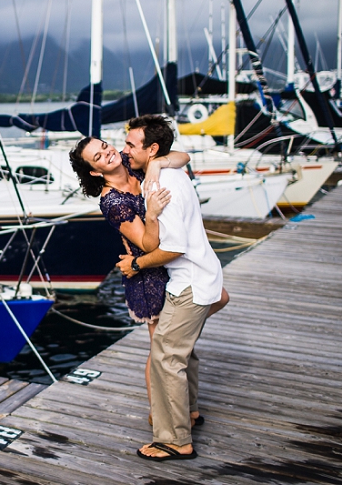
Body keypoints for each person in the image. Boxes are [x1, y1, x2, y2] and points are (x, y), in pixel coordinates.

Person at [116, 114, 228, 462]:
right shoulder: (169, 170)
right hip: (201, 276)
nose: (124, 150)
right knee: (183, 352)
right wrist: (159, 161)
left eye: (131, 145)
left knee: (166, 357)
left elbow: (172, 247)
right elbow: (180, 155)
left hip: (189, 283)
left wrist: (135, 264)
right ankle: (190, 413)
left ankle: (175, 440)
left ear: (151, 148)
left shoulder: (157, 188)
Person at [69, 136, 191, 423]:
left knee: (178, 338)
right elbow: (148, 245)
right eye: (98, 157)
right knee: (160, 350)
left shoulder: (130, 161)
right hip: (147, 276)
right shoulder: (113, 202)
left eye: (105, 147)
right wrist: (152, 212)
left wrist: (156, 165)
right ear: (95, 172)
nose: (107, 153)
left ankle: (184, 406)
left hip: (171, 264)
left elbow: (183, 157)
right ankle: (158, 415)